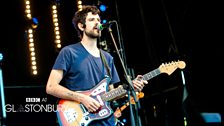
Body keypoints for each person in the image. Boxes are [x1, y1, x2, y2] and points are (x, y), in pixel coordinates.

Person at [46, 5, 148, 126]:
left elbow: (111, 93)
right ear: (81, 26)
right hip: (81, 119)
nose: (97, 22)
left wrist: (131, 87)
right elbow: (51, 87)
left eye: (98, 20)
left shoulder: (108, 58)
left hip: (107, 121)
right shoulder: (69, 52)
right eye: (91, 20)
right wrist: (82, 98)